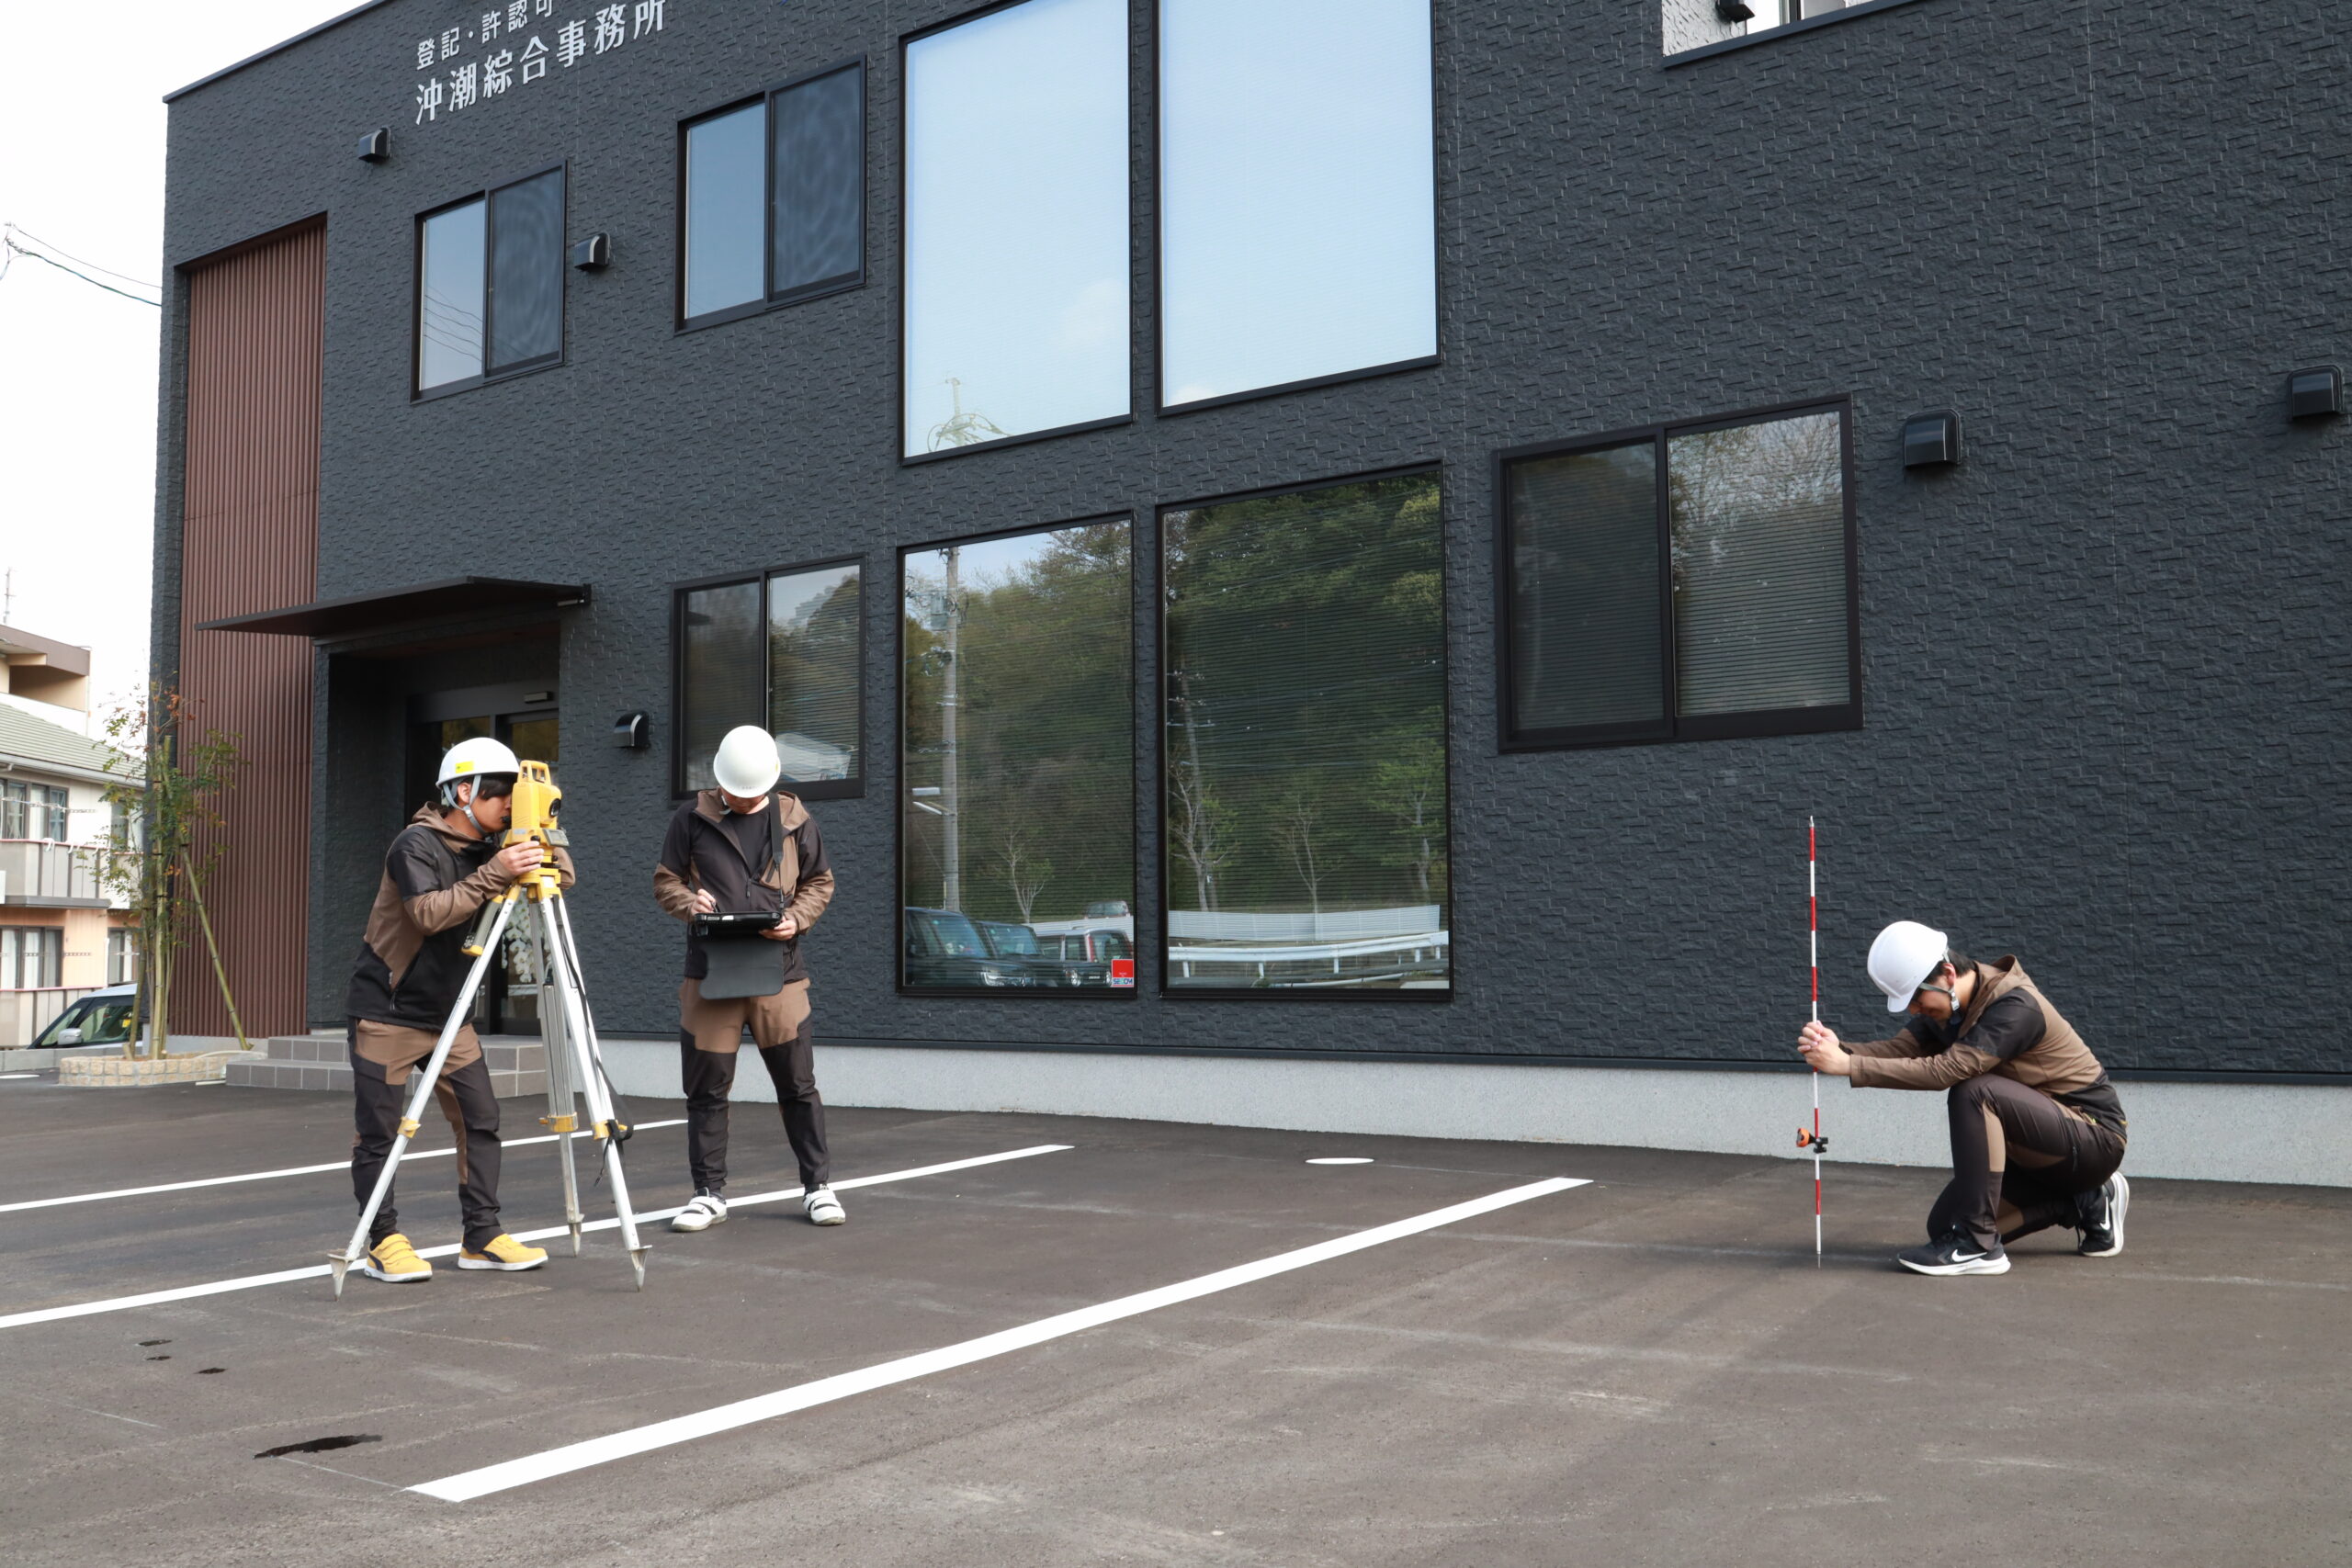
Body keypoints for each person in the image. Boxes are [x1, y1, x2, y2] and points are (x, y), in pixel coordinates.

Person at [343, 737, 571, 1282]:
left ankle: (482, 1235)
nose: (508, 808)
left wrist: (544, 836)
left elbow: (561, 881)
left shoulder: (497, 847)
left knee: (481, 1119)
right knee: (382, 1131)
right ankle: (383, 1240)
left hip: (452, 1014)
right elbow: (428, 913)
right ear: (463, 791)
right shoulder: (415, 844)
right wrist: (499, 870)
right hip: (388, 1010)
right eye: (501, 797)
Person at [1797, 920, 2129, 1277]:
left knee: (1974, 1091)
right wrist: (1839, 1049)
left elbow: (1946, 1071)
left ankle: (1979, 1246)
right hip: (2039, 1149)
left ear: (1948, 974)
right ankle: (2085, 1202)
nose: (1913, 1011)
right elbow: (1901, 1050)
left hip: (2094, 1138)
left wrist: (1848, 1065)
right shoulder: (1950, 1008)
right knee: (1943, 1229)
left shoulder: (2015, 1006)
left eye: (1915, 999)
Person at [652, 725, 841, 1232]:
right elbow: (665, 880)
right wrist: (689, 902)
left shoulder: (796, 819)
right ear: (719, 781)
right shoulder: (690, 818)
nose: (743, 798)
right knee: (707, 1090)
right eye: (734, 791)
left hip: (781, 974)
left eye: (753, 792)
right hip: (710, 973)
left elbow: (820, 882)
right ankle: (708, 1194)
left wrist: (797, 918)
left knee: (798, 1085)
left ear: (771, 783)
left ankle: (818, 1187)